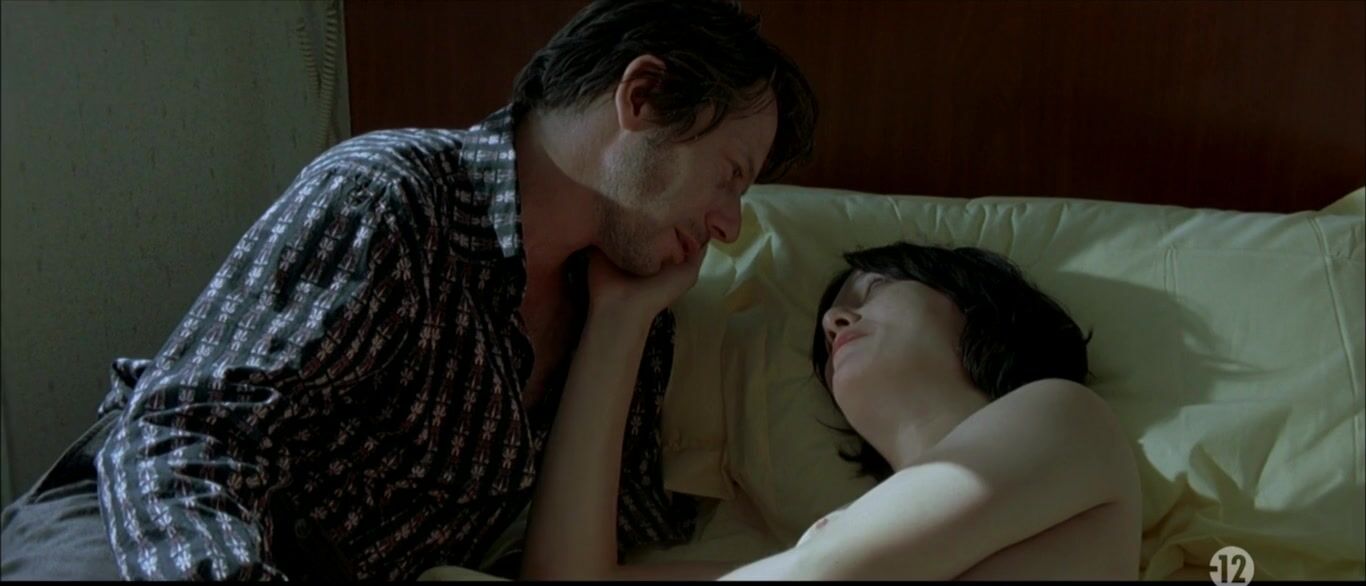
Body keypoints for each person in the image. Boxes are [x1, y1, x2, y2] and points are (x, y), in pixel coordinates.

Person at [0, 0, 817, 580]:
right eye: (730, 175)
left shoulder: (628, 313)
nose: (729, 225)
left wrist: (622, 323)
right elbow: (186, 435)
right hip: (152, 528)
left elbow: (580, 566)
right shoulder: (390, 197)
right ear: (642, 97)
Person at [519, 241, 1143, 580]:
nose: (835, 320)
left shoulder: (1067, 413)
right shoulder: (828, 542)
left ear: (975, 306)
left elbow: (828, 569)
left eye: (874, 290)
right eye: (831, 324)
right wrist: (620, 317)